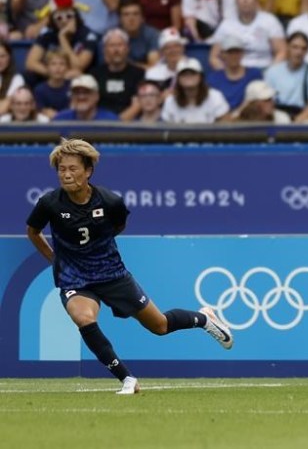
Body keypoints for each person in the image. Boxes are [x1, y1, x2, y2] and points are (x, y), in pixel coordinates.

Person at [25, 138, 232, 395]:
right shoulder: (49, 203)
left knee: (160, 326)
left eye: (72, 169)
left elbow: (118, 226)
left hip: (112, 273)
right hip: (74, 278)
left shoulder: (110, 201)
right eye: (61, 169)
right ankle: (127, 379)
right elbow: (33, 232)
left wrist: (98, 250)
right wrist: (54, 259)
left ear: (88, 171)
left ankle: (203, 318)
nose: (66, 175)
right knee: (83, 317)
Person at [209, 0, 285, 70]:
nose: (245, 0)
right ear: (236, 0)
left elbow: (282, 52)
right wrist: (227, 74)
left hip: (264, 70)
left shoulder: (270, 21)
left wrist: (270, 73)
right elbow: (214, 57)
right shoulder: (226, 25)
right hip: (236, 72)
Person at [264, 32, 308, 122]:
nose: (299, 52)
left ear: (307, 51)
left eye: (303, 48)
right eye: (295, 47)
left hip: (302, 116)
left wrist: (294, 124)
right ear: (288, 47)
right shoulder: (272, 71)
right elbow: (265, 102)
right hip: (277, 114)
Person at [92, 29, 145, 116]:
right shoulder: (95, 75)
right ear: (104, 50)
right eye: (112, 45)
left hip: (129, 124)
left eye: (120, 45)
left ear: (127, 49)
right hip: (100, 124)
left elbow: (137, 105)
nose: (116, 50)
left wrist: (115, 124)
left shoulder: (139, 74)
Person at [161, 57, 229, 123]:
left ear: (200, 77)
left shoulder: (215, 97)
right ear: (178, 79)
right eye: (184, 74)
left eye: (193, 73)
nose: (188, 76)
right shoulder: (170, 101)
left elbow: (225, 126)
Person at [52, 74, 119, 121]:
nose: (81, 97)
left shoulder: (110, 121)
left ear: (96, 96)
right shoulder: (60, 119)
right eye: (77, 93)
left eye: (86, 92)